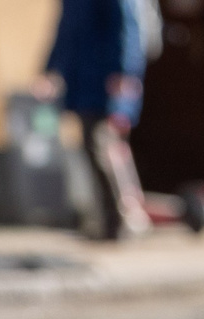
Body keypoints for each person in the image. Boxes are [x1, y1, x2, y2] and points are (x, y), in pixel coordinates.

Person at [40, 0, 150, 239]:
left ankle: (121, 219)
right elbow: (64, 32)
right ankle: (111, 218)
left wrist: (126, 71)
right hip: (83, 85)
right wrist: (49, 70)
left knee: (104, 147)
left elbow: (128, 27)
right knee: (94, 148)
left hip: (107, 84)